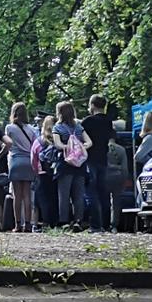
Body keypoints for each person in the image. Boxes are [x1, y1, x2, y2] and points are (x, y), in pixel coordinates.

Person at [50, 101, 94, 232]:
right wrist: (80, 148)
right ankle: (78, 220)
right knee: (78, 195)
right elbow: (89, 142)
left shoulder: (57, 128)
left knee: (64, 195)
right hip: (79, 164)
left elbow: (57, 144)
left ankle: (64, 221)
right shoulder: (79, 127)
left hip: (65, 164)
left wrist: (67, 148)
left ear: (59, 113)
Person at [80, 95, 117, 233]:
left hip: (90, 159)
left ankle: (95, 225)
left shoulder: (87, 121)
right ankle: (106, 224)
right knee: (104, 193)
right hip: (103, 160)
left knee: (91, 193)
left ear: (92, 105)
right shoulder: (109, 121)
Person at [5, 103, 39, 233]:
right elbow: (35, 146)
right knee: (27, 194)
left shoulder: (9, 128)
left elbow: (7, 143)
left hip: (15, 161)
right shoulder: (32, 129)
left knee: (17, 195)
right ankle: (28, 224)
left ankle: (17, 224)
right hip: (28, 161)